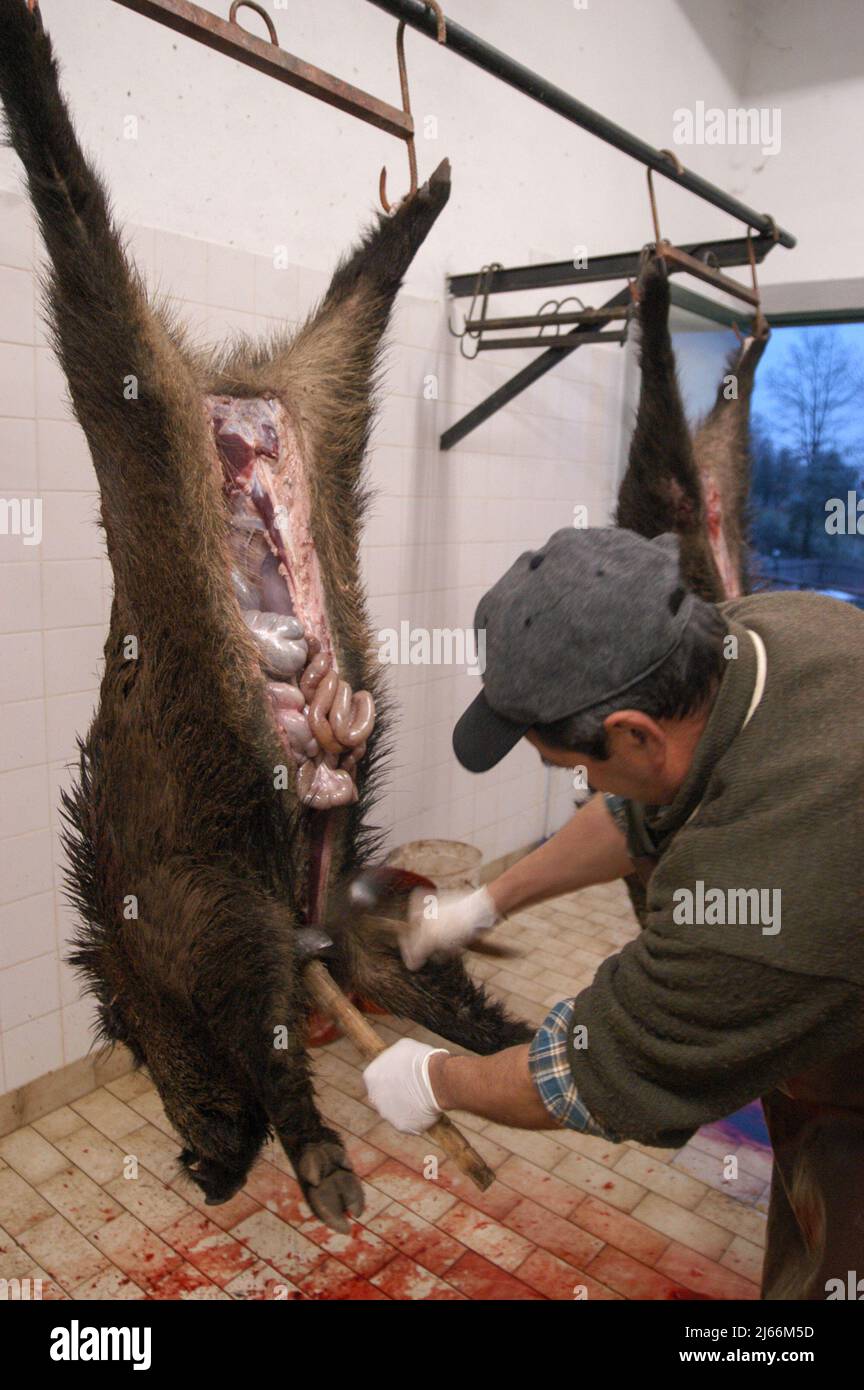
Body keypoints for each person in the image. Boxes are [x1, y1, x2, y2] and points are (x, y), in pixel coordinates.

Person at [363, 526, 864, 1300]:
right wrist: (486, 902)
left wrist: (434, 1080)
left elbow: (593, 1072)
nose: (583, 784)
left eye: (571, 768)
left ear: (633, 733)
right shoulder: (763, 637)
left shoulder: (765, 899)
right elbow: (639, 811)